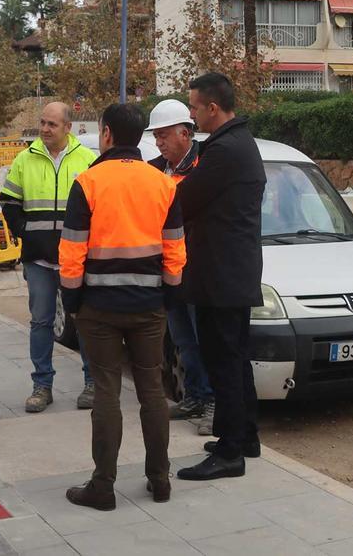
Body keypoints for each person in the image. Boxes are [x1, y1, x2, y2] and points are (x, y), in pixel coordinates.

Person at [59, 103, 186, 510]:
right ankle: (160, 479)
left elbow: (72, 250)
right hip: (149, 306)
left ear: (107, 134)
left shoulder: (88, 182)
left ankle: (103, 486)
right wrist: (168, 294)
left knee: (107, 392)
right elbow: (175, 248)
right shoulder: (163, 183)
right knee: (152, 390)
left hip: (98, 307)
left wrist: (72, 300)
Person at [176, 73, 265, 481]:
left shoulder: (225, 150)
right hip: (232, 270)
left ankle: (230, 453)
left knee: (224, 361)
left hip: (221, 274)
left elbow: (184, 200)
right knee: (236, 358)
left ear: (212, 107)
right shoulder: (239, 142)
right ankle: (245, 436)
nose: (192, 115)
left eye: (194, 107)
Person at [0, 102, 98, 413]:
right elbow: (9, 203)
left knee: (84, 321)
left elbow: (99, 208)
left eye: (52, 124)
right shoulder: (24, 159)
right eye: (42, 122)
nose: (44, 129)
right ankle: (42, 386)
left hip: (76, 259)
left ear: (68, 127)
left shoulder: (88, 160)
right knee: (41, 322)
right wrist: (26, 233)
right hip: (39, 260)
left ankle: (92, 383)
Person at [144, 99, 213, 422]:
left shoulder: (205, 166)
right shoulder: (154, 170)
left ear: (185, 133)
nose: (158, 142)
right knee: (183, 340)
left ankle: (212, 402)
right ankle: (195, 397)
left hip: (197, 268)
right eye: (156, 136)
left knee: (204, 340)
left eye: (164, 135)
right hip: (169, 269)